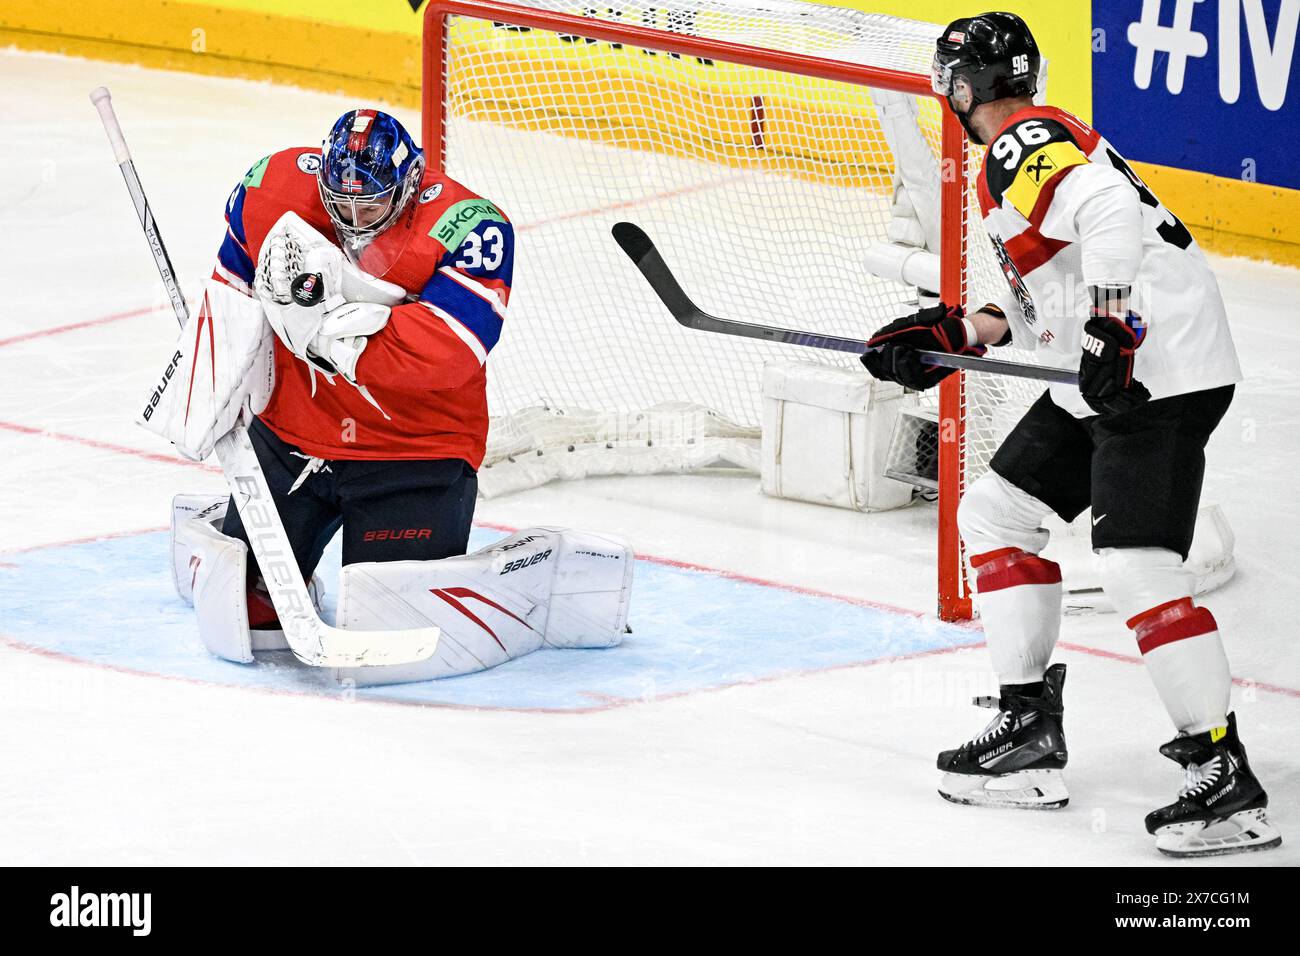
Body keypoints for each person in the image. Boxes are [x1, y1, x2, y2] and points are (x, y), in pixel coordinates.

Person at [860, 12, 1280, 857]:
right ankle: (1028, 735)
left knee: (1135, 564)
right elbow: (1039, 303)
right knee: (995, 516)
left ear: (961, 86)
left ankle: (1223, 774)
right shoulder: (1026, 147)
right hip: (1114, 374)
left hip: (1154, 375)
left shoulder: (1020, 141)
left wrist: (1113, 328)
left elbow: (1108, 212)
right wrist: (954, 338)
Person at [210, 108, 512, 631]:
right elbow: (231, 287)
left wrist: (327, 340)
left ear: (411, 184)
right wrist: (211, 364)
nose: (353, 219)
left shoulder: (470, 226)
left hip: (414, 452)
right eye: (340, 202)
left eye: (371, 205)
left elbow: (450, 352)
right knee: (244, 610)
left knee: (390, 624)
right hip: (292, 439)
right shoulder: (273, 187)